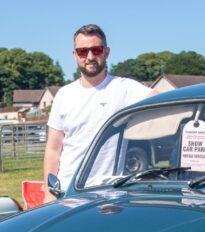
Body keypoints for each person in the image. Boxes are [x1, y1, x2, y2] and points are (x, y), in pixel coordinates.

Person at [43, 24, 157, 201]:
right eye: (82, 51)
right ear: (75, 55)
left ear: (106, 52)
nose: (90, 57)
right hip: (66, 193)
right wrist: (49, 194)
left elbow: (162, 101)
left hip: (108, 193)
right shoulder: (63, 95)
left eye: (96, 50)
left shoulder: (123, 88)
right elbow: (53, 149)